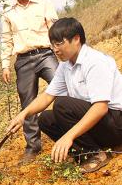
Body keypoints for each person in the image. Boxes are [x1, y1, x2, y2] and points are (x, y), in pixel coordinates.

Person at [7, 17, 122, 173]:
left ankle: (96, 155)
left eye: (59, 43)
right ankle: (86, 152)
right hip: (100, 124)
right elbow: (47, 96)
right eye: (52, 45)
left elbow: (100, 108)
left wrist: (68, 136)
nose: (55, 49)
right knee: (45, 119)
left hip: (115, 121)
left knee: (63, 105)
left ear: (76, 39)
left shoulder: (95, 62)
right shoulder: (65, 66)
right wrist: (23, 114)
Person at [0, 0, 59, 163]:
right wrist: (5, 65)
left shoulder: (44, 4)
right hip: (23, 60)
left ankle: (71, 130)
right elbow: (6, 39)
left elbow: (54, 29)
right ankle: (33, 146)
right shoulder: (8, 12)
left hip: (45, 54)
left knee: (64, 86)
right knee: (27, 101)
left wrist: (62, 53)